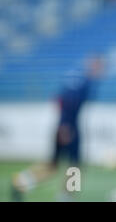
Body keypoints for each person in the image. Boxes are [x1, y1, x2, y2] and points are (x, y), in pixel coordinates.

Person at [11, 56, 104, 201]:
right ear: (94, 65)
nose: (102, 71)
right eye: (100, 67)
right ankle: (66, 197)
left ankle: (22, 181)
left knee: (54, 165)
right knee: (75, 166)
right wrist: (66, 125)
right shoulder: (84, 81)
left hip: (64, 125)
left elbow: (59, 99)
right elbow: (69, 102)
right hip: (69, 128)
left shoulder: (76, 78)